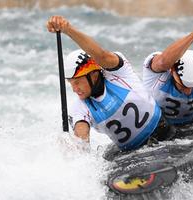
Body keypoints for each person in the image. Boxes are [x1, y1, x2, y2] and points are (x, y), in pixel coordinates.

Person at [46, 16, 174, 151]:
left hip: (164, 133)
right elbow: (82, 141)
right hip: (131, 153)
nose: (74, 88)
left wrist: (68, 30)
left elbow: (102, 56)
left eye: (77, 82)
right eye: (70, 83)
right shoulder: (81, 106)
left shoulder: (118, 72)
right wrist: (75, 149)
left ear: (93, 75)